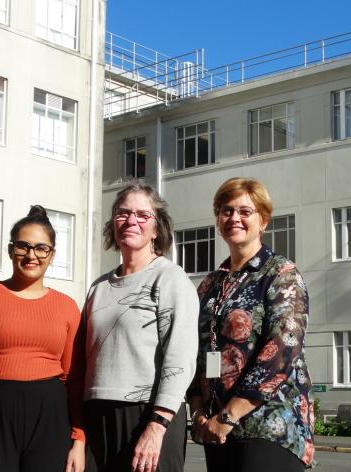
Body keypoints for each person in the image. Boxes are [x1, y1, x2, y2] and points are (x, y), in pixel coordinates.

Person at [188, 177, 315, 471]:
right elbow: (196, 352)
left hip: (269, 427)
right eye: (226, 210)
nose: (234, 218)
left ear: (263, 221)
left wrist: (230, 416)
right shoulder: (210, 284)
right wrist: (198, 413)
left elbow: (282, 351)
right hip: (217, 431)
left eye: (245, 211)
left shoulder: (281, 274)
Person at [0, 205, 85, 472]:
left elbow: (74, 380)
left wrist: (79, 439)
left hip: (50, 416)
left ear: (52, 254)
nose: (31, 255)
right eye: (23, 246)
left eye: (41, 248)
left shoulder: (67, 306)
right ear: (11, 250)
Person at [82, 181, 199, 472]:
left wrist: (157, 425)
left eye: (142, 215)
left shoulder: (170, 279)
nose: (131, 220)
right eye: (123, 213)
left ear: (157, 229)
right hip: (97, 412)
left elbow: (180, 359)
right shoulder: (98, 287)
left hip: (148, 414)